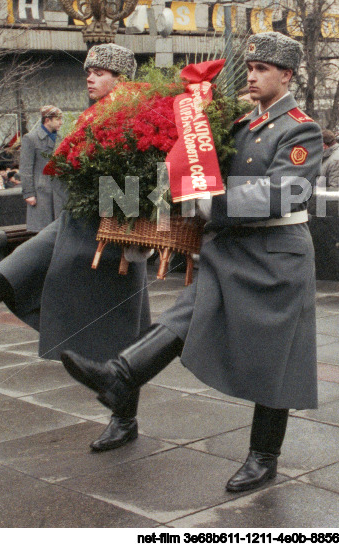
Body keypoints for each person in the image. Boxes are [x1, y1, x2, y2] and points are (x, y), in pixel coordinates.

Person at [59, 32, 323, 493]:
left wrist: (214, 201)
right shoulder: (242, 123)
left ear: (287, 75)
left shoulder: (301, 129)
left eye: (263, 69)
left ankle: (263, 456)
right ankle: (120, 375)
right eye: (251, 67)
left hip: (277, 254)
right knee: (187, 311)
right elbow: (204, 165)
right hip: (232, 248)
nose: (253, 75)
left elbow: (286, 191)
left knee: (275, 360)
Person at [0, 43, 151, 454]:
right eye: (88, 70)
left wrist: (119, 224)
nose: (89, 77)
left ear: (121, 78)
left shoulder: (136, 118)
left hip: (115, 229)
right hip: (76, 221)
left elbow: (142, 179)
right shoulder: (91, 115)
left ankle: (124, 419)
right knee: (19, 263)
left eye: (101, 72)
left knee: (118, 328)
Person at [20, 105, 68, 232]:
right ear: (47, 120)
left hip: (59, 192)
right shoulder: (30, 138)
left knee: (59, 231)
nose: (61, 123)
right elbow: (25, 168)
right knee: (43, 232)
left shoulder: (60, 138)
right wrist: (29, 193)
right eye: (58, 119)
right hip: (41, 193)